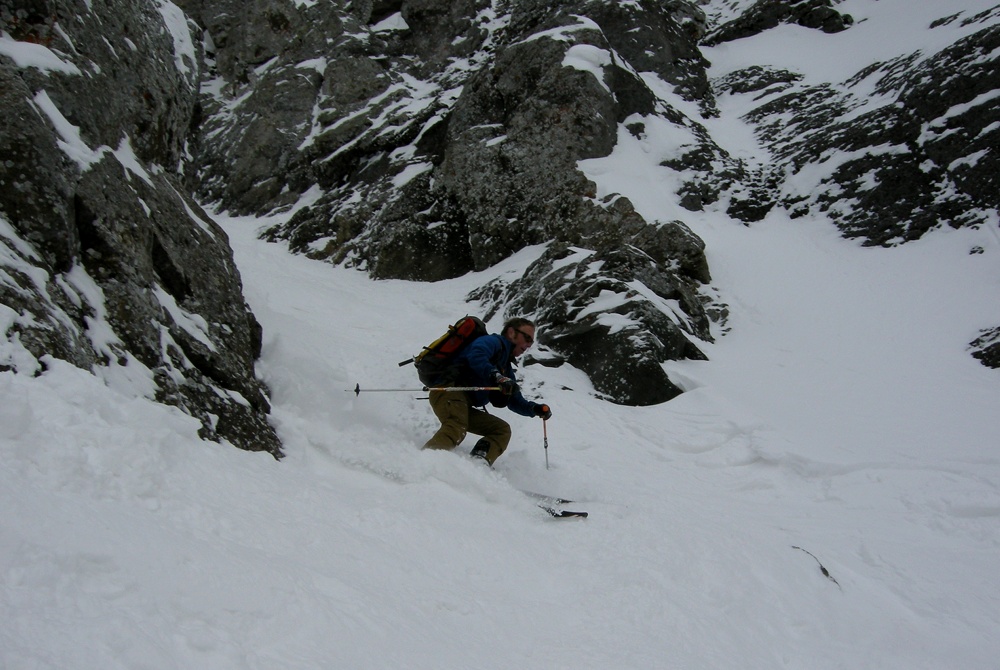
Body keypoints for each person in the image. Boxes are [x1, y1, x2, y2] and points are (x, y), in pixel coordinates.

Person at [422, 317, 552, 465]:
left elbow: (514, 399)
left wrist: (534, 409)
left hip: (462, 403)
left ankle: (478, 464)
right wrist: (496, 376)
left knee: (501, 430)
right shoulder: (492, 342)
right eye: (527, 338)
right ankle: (424, 463)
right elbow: (476, 355)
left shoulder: (505, 367)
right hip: (449, 390)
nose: (528, 345)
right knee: (456, 426)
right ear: (511, 332)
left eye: (531, 342)